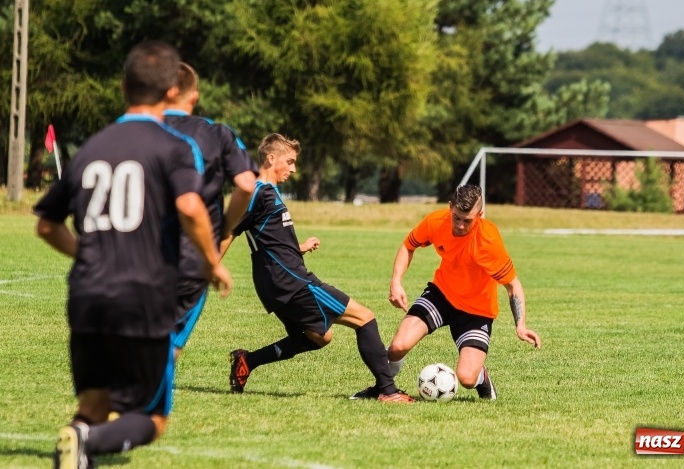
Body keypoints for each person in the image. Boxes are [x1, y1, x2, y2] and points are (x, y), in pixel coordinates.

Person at [34, 40, 233, 469]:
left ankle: (79, 441)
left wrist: (85, 251)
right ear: (169, 94)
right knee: (153, 419)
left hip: (87, 293)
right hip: (142, 295)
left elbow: (47, 225)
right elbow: (190, 206)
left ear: (123, 86)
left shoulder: (91, 147)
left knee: (92, 404)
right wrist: (213, 262)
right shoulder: (174, 147)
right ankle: (85, 440)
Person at [222, 133, 414, 403]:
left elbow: (266, 238)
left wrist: (297, 247)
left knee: (319, 337)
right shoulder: (256, 193)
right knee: (365, 318)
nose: (293, 169)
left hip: (279, 283)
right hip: (293, 282)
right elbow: (227, 231)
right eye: (289, 161)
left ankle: (247, 361)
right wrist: (207, 266)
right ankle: (388, 390)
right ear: (271, 158)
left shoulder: (267, 192)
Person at [354, 184, 541, 401]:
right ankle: (384, 388)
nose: (460, 225)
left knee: (466, 378)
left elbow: (513, 286)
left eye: (467, 220)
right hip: (441, 295)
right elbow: (408, 246)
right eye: (457, 218)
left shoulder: (488, 242)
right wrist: (396, 282)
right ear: (450, 207)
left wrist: (520, 325)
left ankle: (482, 376)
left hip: (476, 311)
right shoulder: (437, 222)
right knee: (397, 347)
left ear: (480, 215)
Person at [162, 62, 257, 358]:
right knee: (168, 345)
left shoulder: (134, 129)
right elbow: (245, 184)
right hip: (192, 256)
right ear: (193, 96)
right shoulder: (217, 133)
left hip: (134, 250)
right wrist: (226, 227)